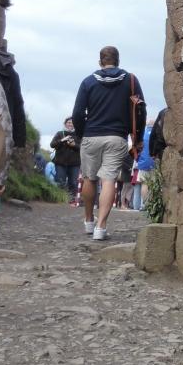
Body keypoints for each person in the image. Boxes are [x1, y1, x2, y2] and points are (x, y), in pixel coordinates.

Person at [71, 45, 146, 242]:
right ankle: (101, 227)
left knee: (89, 179)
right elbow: (140, 110)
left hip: (91, 135)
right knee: (109, 180)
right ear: (118, 61)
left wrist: (82, 133)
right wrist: (137, 137)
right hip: (117, 137)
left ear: (100, 62)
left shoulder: (88, 82)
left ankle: (89, 220)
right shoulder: (130, 80)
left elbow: (77, 113)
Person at [50, 118, 81, 203]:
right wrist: (62, 140)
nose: (70, 124)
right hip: (60, 163)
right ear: (65, 124)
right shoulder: (60, 133)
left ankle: (72, 201)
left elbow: (83, 148)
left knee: (73, 183)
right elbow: (52, 145)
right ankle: (60, 199)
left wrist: (74, 145)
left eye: (72, 123)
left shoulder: (78, 134)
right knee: (60, 182)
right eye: (68, 122)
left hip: (75, 164)